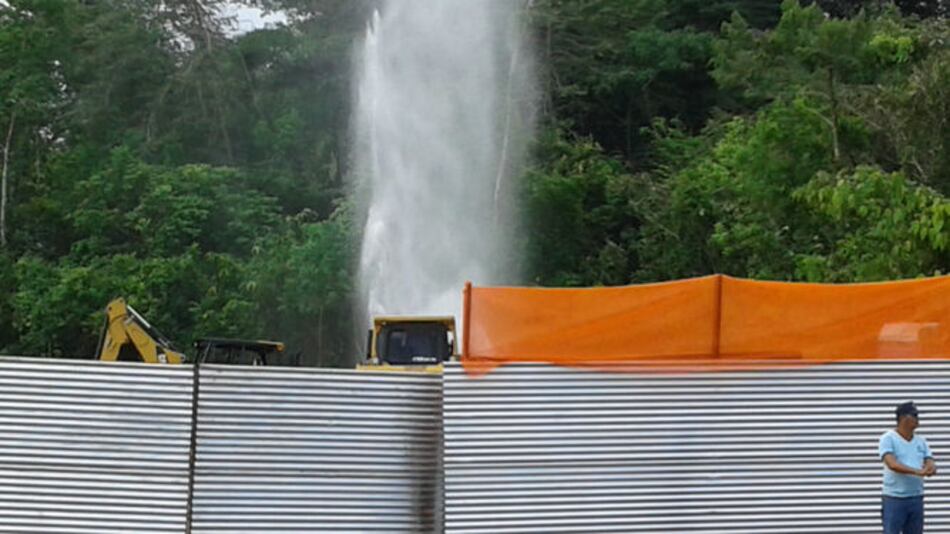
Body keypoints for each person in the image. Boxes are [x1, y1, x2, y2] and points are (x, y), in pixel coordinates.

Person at [880, 401, 936, 534]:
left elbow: (929, 460)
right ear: (904, 418)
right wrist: (917, 472)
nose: (918, 420)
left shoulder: (921, 441)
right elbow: (892, 464)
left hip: (915, 498)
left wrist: (930, 468)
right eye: (915, 416)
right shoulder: (888, 438)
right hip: (894, 499)